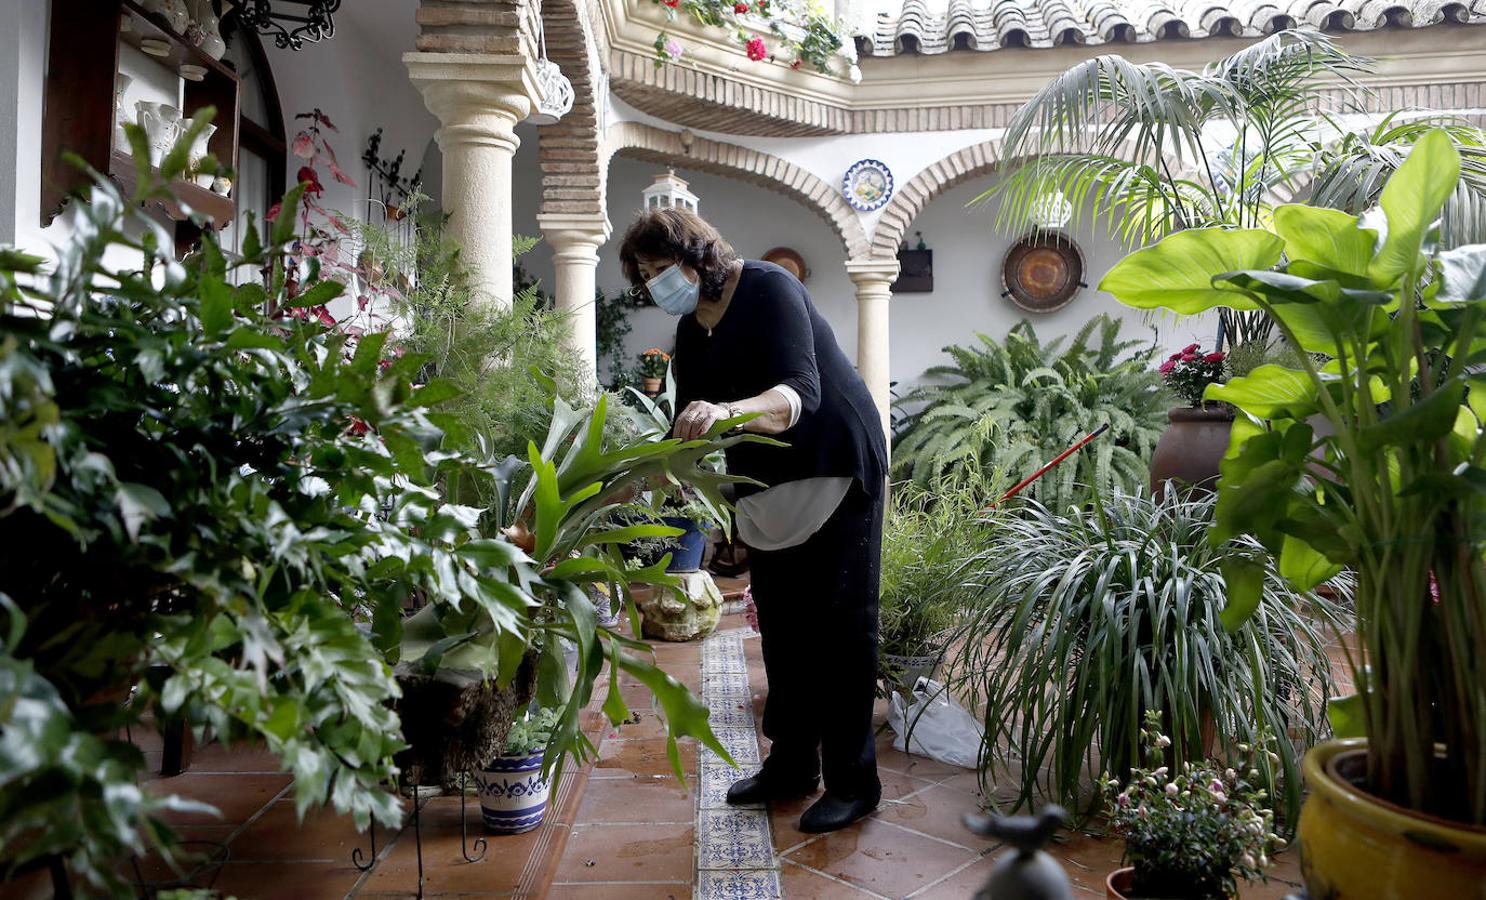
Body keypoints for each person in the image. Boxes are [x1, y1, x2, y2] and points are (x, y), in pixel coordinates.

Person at [618, 208, 888, 833]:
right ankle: (792, 764)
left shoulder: (769, 287)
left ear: (697, 255)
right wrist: (635, 481)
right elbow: (687, 431)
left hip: (834, 465)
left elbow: (801, 391)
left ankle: (855, 782)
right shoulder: (692, 330)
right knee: (785, 627)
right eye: (648, 275)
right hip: (767, 487)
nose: (659, 284)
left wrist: (726, 412)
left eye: (664, 268)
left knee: (844, 630)